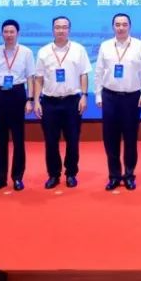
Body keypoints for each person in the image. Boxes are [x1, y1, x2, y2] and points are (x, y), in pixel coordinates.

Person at [33, 16, 91, 189]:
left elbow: (84, 74)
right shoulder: (44, 51)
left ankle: (71, 173)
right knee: (51, 141)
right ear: (53, 30)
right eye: (57, 27)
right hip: (49, 102)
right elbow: (38, 78)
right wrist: (36, 101)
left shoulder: (78, 49)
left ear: (69, 30)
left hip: (72, 101)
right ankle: (53, 174)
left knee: (72, 140)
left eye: (64, 27)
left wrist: (84, 95)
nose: (61, 30)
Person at [94, 12, 141, 191]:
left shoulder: (139, 46)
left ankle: (129, 175)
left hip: (132, 98)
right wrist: (98, 95)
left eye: (124, 24)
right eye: (117, 25)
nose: (121, 28)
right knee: (110, 139)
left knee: (131, 138)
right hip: (109, 97)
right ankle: (114, 176)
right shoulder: (105, 46)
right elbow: (98, 72)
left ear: (130, 26)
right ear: (113, 27)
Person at [0, 19, 36, 192]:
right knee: (1, 140)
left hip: (17, 94)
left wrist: (30, 99)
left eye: (12, 32)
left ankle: (18, 177)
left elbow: (30, 77)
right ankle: (0, 178)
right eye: (5, 32)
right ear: (2, 34)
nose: (9, 35)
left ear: (18, 33)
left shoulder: (26, 52)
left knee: (18, 139)